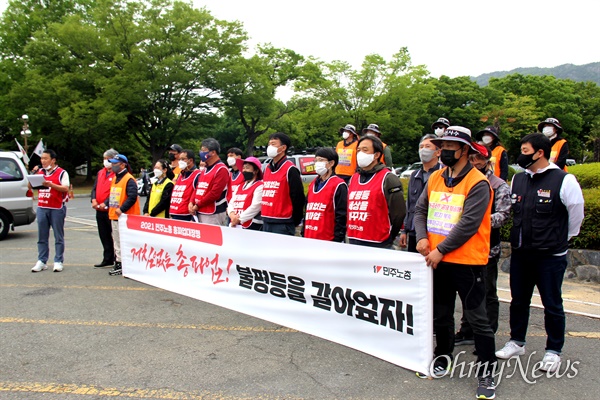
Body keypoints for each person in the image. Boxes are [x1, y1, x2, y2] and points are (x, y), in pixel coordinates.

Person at [413, 126, 497, 399]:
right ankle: (443, 356)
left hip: (466, 261)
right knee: (440, 313)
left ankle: (487, 372)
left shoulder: (478, 182)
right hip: (437, 259)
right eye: (442, 145)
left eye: (450, 146)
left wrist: (440, 250)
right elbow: (421, 209)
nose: (444, 150)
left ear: (465, 150)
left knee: (477, 319)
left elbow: (469, 224)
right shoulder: (436, 176)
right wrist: (423, 237)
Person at [495, 133, 584, 374]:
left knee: (552, 303)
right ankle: (516, 341)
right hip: (522, 252)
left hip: (550, 255)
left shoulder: (564, 180)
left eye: (525, 151)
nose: (521, 155)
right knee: (519, 301)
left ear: (539, 153)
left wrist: (562, 238)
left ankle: (553, 351)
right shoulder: (519, 180)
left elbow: (576, 214)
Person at [455, 142, 511, 346]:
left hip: (487, 247)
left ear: (487, 161)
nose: (475, 161)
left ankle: (488, 332)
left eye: (479, 158)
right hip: (462, 246)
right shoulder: (461, 181)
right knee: (466, 291)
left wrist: (476, 219)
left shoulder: (498, 185)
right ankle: (466, 330)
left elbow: (503, 215)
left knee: (487, 292)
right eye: (472, 158)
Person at [347, 135, 405, 249]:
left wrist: (390, 236)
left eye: (365, 150)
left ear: (377, 155)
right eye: (358, 150)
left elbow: (399, 213)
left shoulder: (388, 178)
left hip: (378, 243)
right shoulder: (354, 178)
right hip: (354, 241)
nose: (360, 154)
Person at [399, 134, 441, 253]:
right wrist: (404, 230)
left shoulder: (442, 174)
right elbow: (410, 204)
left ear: (438, 152)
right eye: (421, 147)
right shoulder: (415, 175)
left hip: (433, 232)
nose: (423, 150)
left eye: (428, 146)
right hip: (414, 231)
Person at [31, 149, 70, 273]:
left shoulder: (62, 173)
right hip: (42, 206)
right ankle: (42, 260)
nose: (43, 161)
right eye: (42, 158)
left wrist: (51, 185)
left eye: (46, 158)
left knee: (58, 236)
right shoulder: (40, 172)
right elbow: (30, 186)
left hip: (56, 208)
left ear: (53, 160)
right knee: (42, 236)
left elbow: (65, 188)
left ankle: (58, 260)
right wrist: (32, 175)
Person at [261, 132, 306, 235]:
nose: (270, 147)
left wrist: (295, 220)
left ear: (283, 148)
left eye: (273, 144)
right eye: (269, 144)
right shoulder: (267, 168)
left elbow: (298, 197)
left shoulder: (290, 169)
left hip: (283, 223)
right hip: (267, 220)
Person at [302, 147, 347, 242]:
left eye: (321, 160)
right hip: (309, 236)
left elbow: (342, 216)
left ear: (331, 163)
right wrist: (303, 232)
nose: (317, 163)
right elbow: (307, 210)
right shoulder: (313, 184)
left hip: (327, 240)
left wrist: (337, 239)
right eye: (316, 160)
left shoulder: (339, 185)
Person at [105, 154, 140, 276]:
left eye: (115, 163)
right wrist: (105, 204)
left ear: (123, 165)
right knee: (117, 241)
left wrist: (122, 209)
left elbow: (132, 196)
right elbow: (112, 195)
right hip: (115, 216)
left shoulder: (128, 179)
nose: (112, 165)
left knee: (123, 241)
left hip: (125, 216)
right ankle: (120, 262)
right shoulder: (116, 178)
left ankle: (121, 264)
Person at [189, 138, 230, 226]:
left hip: (213, 213)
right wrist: (191, 202)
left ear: (213, 152)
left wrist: (198, 205)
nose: (201, 153)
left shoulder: (221, 169)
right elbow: (197, 188)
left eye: (204, 151)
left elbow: (214, 193)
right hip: (199, 211)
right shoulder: (205, 169)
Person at [90, 148, 117, 268]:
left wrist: (105, 202)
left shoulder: (116, 174)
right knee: (104, 235)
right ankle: (107, 258)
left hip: (110, 209)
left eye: (108, 159)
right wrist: (93, 199)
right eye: (104, 159)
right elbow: (95, 188)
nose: (105, 161)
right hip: (99, 209)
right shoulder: (101, 172)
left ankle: (117, 257)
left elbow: (115, 192)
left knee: (114, 235)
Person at [227, 156, 264, 230]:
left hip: (252, 225)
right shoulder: (239, 186)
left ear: (255, 171)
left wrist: (239, 219)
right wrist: (231, 214)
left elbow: (256, 206)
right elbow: (231, 203)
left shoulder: (260, 186)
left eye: (247, 168)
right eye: (243, 168)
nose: (244, 170)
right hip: (236, 224)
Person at [169, 149, 201, 221]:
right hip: (175, 213)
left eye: (183, 159)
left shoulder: (197, 175)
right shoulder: (181, 175)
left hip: (187, 215)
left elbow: (197, 194)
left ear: (191, 161)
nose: (180, 161)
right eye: (179, 159)